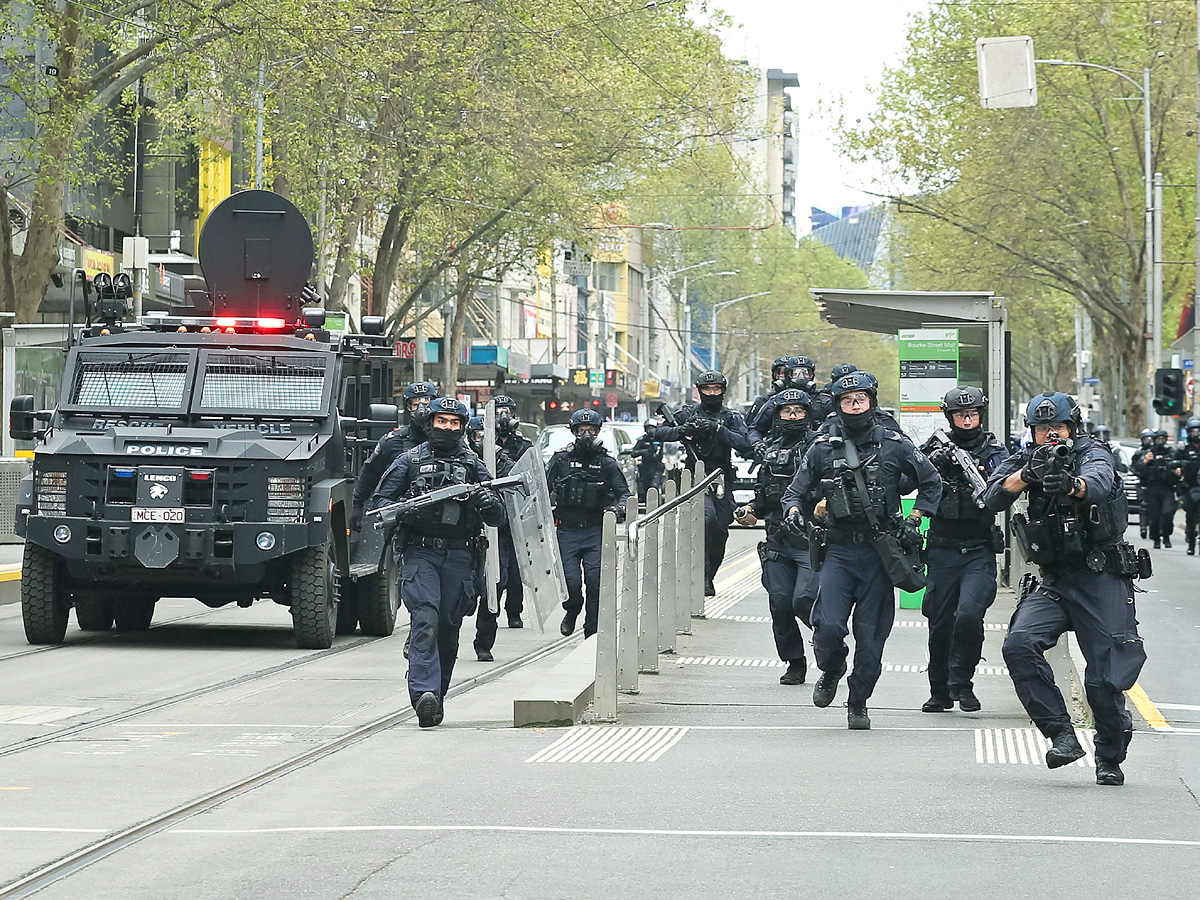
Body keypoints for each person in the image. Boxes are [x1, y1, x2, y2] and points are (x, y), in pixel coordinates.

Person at [983, 391, 1146, 786]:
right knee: (1019, 644)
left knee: (1103, 679)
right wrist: (1026, 476)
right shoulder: (1027, 458)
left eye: (1056, 427)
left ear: (1072, 427)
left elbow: (1100, 483)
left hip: (1101, 577)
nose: (1050, 435)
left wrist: (1071, 485)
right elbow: (989, 497)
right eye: (1042, 429)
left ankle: (1109, 755)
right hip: (1056, 581)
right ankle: (1061, 734)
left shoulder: (1095, 453)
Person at [781, 370, 941, 730]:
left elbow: (931, 481)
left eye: (861, 400)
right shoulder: (822, 447)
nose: (855, 406)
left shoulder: (895, 444)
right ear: (837, 406)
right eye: (847, 401)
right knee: (827, 627)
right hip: (838, 551)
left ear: (871, 401)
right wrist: (793, 511)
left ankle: (858, 701)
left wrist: (915, 518)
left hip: (879, 554)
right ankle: (832, 667)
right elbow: (795, 491)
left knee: (870, 639)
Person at [369, 397, 506, 728]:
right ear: (429, 424)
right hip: (420, 552)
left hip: (460, 555)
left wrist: (486, 499)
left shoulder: (473, 466)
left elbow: (498, 516)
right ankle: (422, 694)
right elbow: (379, 504)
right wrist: (407, 506)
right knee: (425, 620)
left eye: (454, 423)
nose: (447, 428)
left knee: (448, 627)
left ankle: (437, 695)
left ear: (462, 427)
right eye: (441, 422)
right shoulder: (408, 461)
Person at [918, 386, 1008, 714]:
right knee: (940, 622)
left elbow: (1003, 478)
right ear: (950, 417)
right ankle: (939, 690)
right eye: (960, 415)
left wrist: (985, 478)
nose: (967, 420)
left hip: (978, 548)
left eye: (972, 414)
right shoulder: (935, 445)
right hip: (942, 548)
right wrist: (933, 463)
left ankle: (963, 682)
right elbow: (908, 475)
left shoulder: (993, 448)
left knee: (969, 616)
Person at [733, 388, 818, 685]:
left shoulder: (821, 447)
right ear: (777, 416)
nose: (792, 416)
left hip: (811, 539)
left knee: (804, 600)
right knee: (780, 604)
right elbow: (763, 497)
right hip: (777, 539)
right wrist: (748, 510)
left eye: (798, 411)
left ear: (808, 414)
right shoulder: (770, 450)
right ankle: (795, 661)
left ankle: (828, 642)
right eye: (786, 411)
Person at [653, 370, 753, 596]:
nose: (712, 393)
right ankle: (698, 574)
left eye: (716, 389)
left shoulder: (730, 417)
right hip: (695, 478)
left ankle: (709, 575)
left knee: (720, 529)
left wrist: (719, 430)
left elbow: (745, 443)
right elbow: (658, 432)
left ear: (723, 391)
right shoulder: (688, 413)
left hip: (721, 477)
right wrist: (682, 430)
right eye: (707, 389)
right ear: (699, 391)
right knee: (705, 519)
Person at [546, 409, 631, 637]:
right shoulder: (560, 460)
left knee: (595, 583)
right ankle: (572, 609)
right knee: (571, 583)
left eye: (591, 430)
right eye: (581, 430)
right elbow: (541, 490)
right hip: (566, 530)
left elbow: (624, 493)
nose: (586, 434)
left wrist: (618, 509)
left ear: (598, 431)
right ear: (574, 432)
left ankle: (591, 631)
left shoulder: (606, 463)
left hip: (596, 530)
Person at [351, 380, 437, 531]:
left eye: (427, 403)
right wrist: (358, 505)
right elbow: (370, 473)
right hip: (402, 522)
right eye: (415, 404)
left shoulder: (451, 442)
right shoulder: (392, 442)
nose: (422, 410)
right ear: (407, 407)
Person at [466, 416, 515, 662]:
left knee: (494, 588)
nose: (484, 442)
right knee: (461, 591)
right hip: (466, 534)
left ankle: (483, 642)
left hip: (497, 536)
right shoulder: (462, 461)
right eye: (478, 436)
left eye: (489, 437)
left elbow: (517, 497)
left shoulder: (506, 463)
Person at [492, 394, 531, 626]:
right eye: (498, 411)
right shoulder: (483, 443)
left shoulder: (524, 445)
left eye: (506, 410)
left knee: (516, 573)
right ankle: (491, 612)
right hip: (492, 514)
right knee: (495, 571)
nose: (502, 415)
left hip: (517, 514)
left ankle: (514, 612)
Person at [1132, 428, 1178, 548]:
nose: (1160, 441)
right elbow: (1137, 468)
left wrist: (1177, 470)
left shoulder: (1170, 452)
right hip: (1152, 487)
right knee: (1154, 515)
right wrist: (1146, 461)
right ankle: (1156, 539)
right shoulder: (1148, 452)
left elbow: (1178, 464)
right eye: (1158, 439)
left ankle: (1166, 536)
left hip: (1167, 487)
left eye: (1163, 439)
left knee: (1167, 513)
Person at [1176, 417, 1200, 554]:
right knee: (1191, 517)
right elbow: (1174, 463)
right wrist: (1178, 469)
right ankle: (1191, 542)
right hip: (1189, 488)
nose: (1196, 434)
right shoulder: (1183, 448)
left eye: (1198, 431)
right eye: (1194, 431)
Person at [627, 420, 666, 503]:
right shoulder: (642, 440)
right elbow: (633, 453)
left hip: (657, 467)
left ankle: (655, 502)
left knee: (654, 486)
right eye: (649, 428)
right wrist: (644, 452)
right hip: (645, 467)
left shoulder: (661, 439)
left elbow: (668, 451)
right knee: (645, 487)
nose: (650, 430)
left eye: (652, 428)